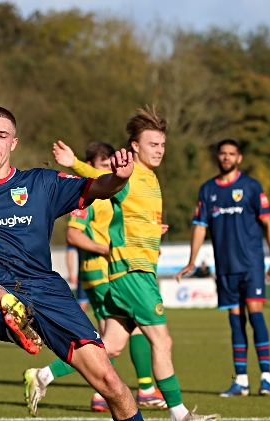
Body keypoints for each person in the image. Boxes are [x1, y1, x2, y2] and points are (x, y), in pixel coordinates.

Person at [0, 105, 145, 421]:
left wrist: (119, 178)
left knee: (112, 384)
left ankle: (26, 324)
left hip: (48, 293)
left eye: (2, 136)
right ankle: (19, 327)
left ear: (13, 143)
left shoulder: (42, 184)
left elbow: (98, 187)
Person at [49, 106, 217, 421]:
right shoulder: (130, 174)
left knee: (109, 346)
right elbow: (105, 179)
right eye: (153, 144)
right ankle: (180, 414)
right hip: (134, 272)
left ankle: (44, 375)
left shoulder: (151, 178)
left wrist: (154, 229)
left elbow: (133, 215)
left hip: (131, 272)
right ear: (135, 146)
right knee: (161, 340)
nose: (159, 150)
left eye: (162, 145)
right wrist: (74, 164)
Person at [24, 140, 168, 415]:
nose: (108, 171)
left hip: (111, 270)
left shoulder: (115, 194)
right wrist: (109, 248)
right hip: (103, 273)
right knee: (116, 338)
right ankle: (141, 389)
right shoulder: (89, 198)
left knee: (114, 339)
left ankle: (123, 389)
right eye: (101, 166)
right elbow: (73, 235)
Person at [175, 139, 270, 398]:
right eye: (222, 153)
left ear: (239, 158)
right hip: (226, 268)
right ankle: (240, 381)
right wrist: (192, 260)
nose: (226, 157)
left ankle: (266, 377)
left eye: (231, 154)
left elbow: (268, 224)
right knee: (235, 322)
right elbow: (200, 225)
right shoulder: (208, 189)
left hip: (252, 265)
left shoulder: (251, 186)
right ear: (217, 157)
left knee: (255, 316)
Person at [66, 242, 89, 311]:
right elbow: (69, 252)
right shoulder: (76, 232)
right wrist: (71, 272)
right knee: (82, 306)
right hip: (83, 275)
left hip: (102, 273)